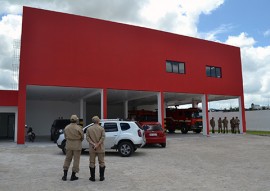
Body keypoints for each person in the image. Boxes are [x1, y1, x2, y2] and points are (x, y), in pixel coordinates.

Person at [61, 115, 84, 181]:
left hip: (69, 145)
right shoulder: (78, 127)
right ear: (76, 120)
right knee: (76, 160)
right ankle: (73, 176)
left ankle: (65, 176)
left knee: (67, 159)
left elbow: (65, 137)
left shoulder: (66, 127)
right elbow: (82, 137)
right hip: (77, 145)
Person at [86, 116, 106, 181]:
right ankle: (101, 177)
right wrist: (98, 144)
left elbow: (87, 138)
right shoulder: (101, 128)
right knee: (101, 162)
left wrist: (93, 144)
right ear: (98, 121)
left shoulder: (89, 129)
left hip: (92, 148)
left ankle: (92, 177)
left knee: (92, 162)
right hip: (100, 147)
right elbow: (103, 137)